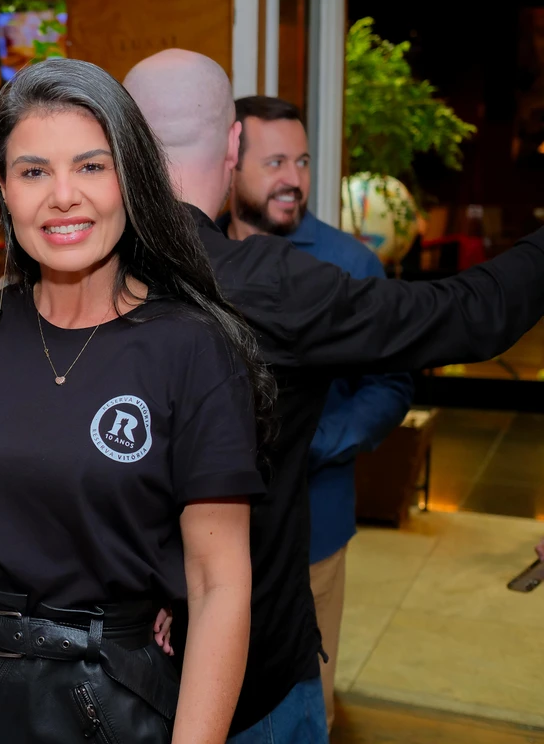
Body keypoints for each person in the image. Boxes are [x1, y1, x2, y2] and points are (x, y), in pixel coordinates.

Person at [125, 49, 544, 743]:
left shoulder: (75, 284)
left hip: (119, 681)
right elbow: (468, 314)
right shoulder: (271, 285)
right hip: (259, 675)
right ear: (234, 144)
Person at [0, 58, 274, 744]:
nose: (62, 197)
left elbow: (219, 583)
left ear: (131, 179)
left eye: (91, 166)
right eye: (32, 171)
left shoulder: (192, 349)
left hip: (111, 705)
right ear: (3, 187)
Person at [226, 95, 415, 730]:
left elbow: (391, 384)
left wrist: (318, 440)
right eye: (275, 160)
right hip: (207, 538)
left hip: (313, 530)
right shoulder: (193, 254)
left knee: (300, 707)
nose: (294, 179)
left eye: (302, 161)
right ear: (231, 162)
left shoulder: (348, 263)